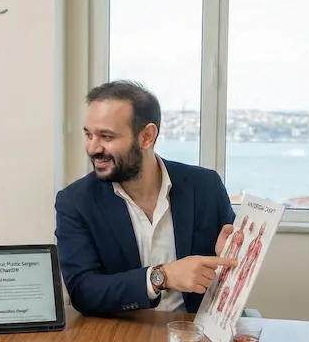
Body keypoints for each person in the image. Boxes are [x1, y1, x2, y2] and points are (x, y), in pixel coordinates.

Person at [54, 80, 237, 317]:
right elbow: (83, 291)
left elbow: (233, 278)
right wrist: (162, 276)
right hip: (122, 332)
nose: (92, 148)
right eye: (89, 135)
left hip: (195, 329)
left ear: (147, 137)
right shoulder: (75, 202)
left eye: (106, 136)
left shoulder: (206, 186)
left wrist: (228, 259)